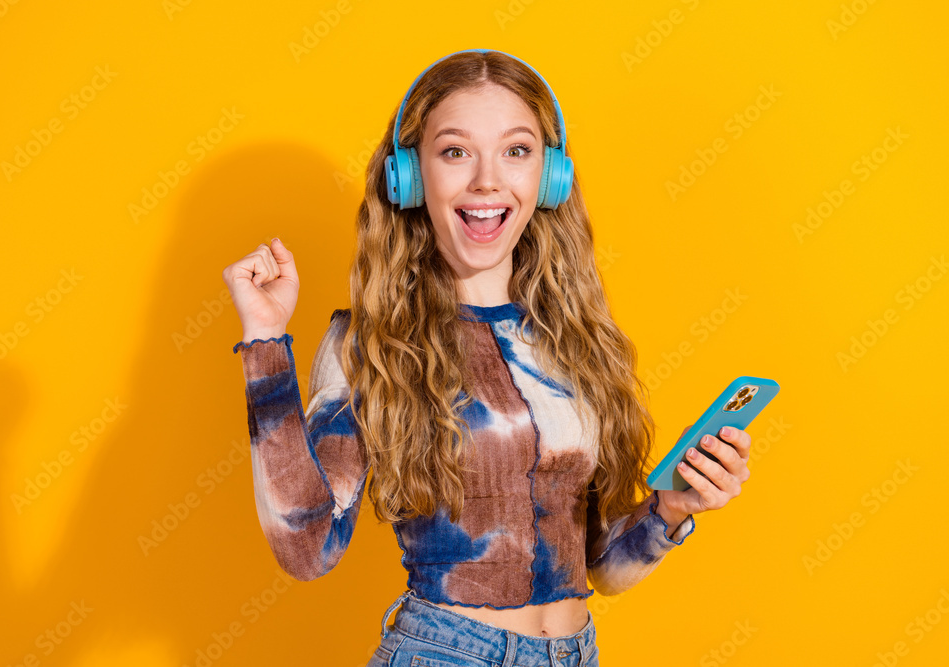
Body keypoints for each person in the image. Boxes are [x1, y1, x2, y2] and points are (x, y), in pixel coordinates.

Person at [221, 49, 753, 667]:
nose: (486, 181)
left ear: (549, 177)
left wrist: (671, 507)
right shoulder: (372, 344)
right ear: (411, 178)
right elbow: (306, 548)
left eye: (516, 151)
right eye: (454, 152)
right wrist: (264, 341)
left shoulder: (575, 339)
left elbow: (600, 569)